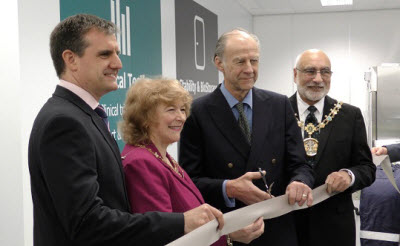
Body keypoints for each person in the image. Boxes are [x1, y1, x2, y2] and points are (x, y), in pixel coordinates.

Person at [28, 14, 224, 246]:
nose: (118, 63)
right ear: (71, 59)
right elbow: (87, 223)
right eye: (105, 54)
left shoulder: (82, 115)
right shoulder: (64, 122)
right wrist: (181, 222)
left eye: (117, 53)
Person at [179, 28, 315, 246]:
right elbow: (189, 183)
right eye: (240, 61)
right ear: (219, 63)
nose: (249, 69)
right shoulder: (197, 112)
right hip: (228, 230)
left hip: (277, 230)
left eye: (254, 60)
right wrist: (228, 188)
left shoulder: (279, 106)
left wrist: (300, 181)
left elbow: (301, 164)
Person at [119, 78, 265, 245]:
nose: (181, 117)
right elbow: (163, 235)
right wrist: (227, 235)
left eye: (182, 109)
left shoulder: (161, 157)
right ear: (145, 117)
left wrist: (227, 230)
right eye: (171, 110)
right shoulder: (142, 162)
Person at [290, 49, 376, 246]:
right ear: (295, 74)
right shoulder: (278, 112)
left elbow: (367, 168)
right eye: (310, 71)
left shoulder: (349, 115)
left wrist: (348, 175)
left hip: (335, 226)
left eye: (325, 72)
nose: (318, 79)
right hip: (287, 224)